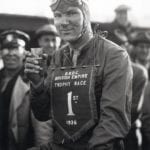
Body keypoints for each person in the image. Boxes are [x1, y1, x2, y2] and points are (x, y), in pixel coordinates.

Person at [25, 0, 133, 150]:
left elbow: (113, 121)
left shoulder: (114, 55)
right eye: (58, 15)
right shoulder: (58, 56)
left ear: (86, 16)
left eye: (71, 13)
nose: (63, 22)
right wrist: (37, 83)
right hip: (61, 144)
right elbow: (42, 115)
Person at [113, 30, 148, 150]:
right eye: (141, 47)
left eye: (148, 47)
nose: (145, 50)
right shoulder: (126, 69)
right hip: (128, 127)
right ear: (134, 48)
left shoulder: (142, 71)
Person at [0, 29, 34, 150]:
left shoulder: (33, 81)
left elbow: (43, 126)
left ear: (24, 53)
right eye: (6, 48)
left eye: (16, 48)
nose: (10, 53)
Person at [31, 24, 61, 147]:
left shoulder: (67, 62)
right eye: (46, 40)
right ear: (39, 41)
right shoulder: (32, 62)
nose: (50, 44)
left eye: (54, 40)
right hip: (38, 117)